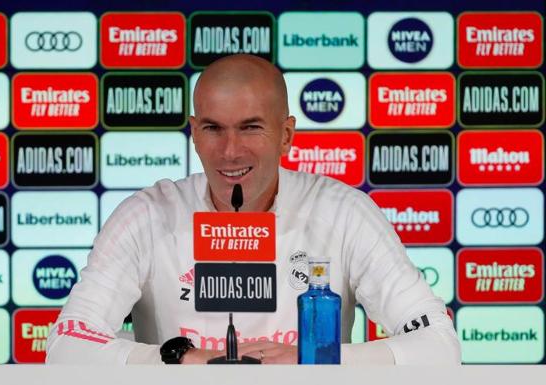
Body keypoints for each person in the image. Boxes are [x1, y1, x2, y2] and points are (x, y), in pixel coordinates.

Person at [46, 54, 461, 365]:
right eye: (213, 128)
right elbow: (66, 347)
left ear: (286, 135)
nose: (230, 152)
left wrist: (312, 362)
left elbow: (439, 346)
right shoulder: (146, 215)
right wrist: (181, 357)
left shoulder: (345, 214)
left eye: (250, 127)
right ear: (193, 133)